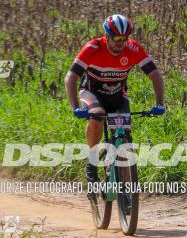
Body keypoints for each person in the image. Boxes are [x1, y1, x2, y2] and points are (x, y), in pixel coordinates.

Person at [64, 14, 165, 198]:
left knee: (124, 136)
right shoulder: (93, 48)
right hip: (92, 93)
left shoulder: (133, 48)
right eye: (117, 39)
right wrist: (75, 107)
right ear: (107, 36)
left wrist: (160, 104)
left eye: (124, 39)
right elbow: (71, 78)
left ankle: (125, 187)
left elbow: (155, 75)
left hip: (118, 96)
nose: (121, 43)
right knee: (98, 116)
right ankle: (92, 162)